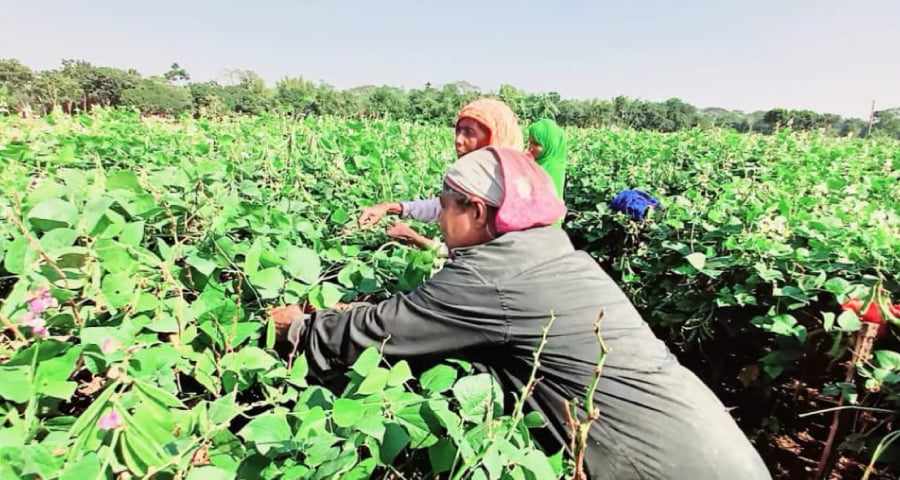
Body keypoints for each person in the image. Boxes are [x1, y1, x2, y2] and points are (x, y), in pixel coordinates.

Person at [270, 147, 771, 479]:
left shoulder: (491, 277)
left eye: (445, 203)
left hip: (658, 466)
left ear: (478, 213)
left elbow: (379, 333)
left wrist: (300, 326)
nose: (439, 214)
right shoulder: (549, 251)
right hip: (715, 447)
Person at [358, 97, 523, 251]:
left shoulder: (509, 189)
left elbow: (481, 258)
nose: (458, 140)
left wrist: (417, 239)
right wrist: (390, 207)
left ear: (494, 137)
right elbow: (446, 206)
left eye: (469, 132)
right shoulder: (474, 177)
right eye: (458, 130)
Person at [527, 118, 568, 227]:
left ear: (550, 144)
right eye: (529, 142)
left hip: (543, 228)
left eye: (536, 144)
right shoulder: (541, 163)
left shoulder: (551, 168)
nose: (530, 148)